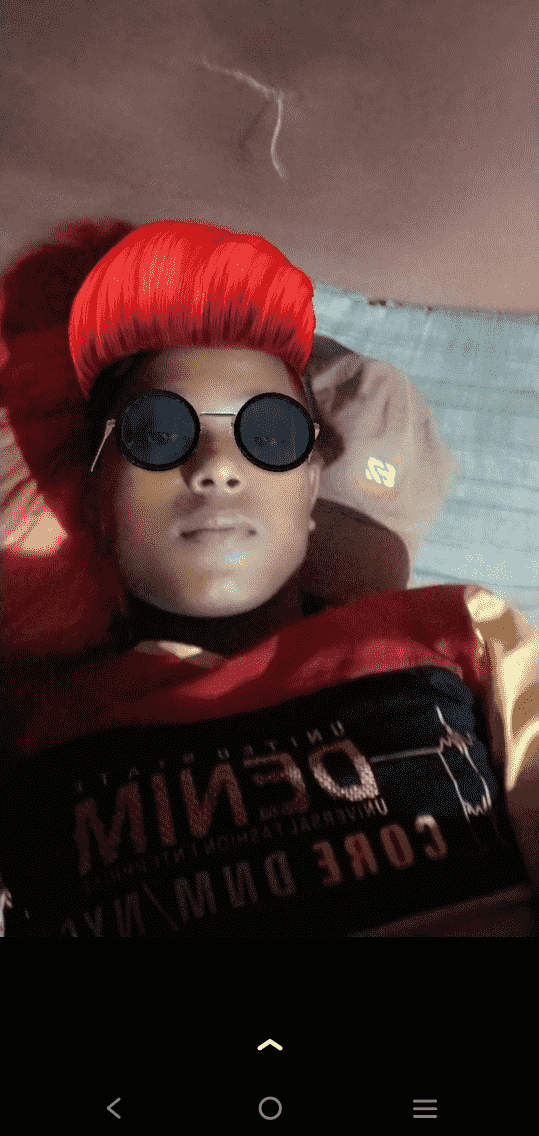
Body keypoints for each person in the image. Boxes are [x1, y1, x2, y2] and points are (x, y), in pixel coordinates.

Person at [1, 218, 537, 937]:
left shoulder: (461, 629)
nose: (218, 464)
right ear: (95, 498)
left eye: (270, 434)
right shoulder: (33, 729)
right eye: (157, 432)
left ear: (312, 486)